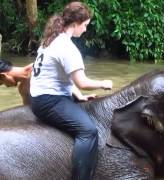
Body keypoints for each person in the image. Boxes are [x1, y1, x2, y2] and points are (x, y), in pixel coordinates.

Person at [29, 2, 113, 180]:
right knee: (88, 132)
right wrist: (103, 83)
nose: (84, 30)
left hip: (38, 96)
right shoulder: (67, 48)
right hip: (49, 100)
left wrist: (78, 95)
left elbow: (63, 76)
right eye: (85, 25)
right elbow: (82, 81)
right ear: (75, 23)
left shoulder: (51, 39)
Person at [0, 59, 94, 105]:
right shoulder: (22, 89)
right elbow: (26, 110)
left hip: (65, 102)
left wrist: (80, 96)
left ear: (4, 75)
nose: (7, 86)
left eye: (3, 83)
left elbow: (63, 79)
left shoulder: (37, 67)